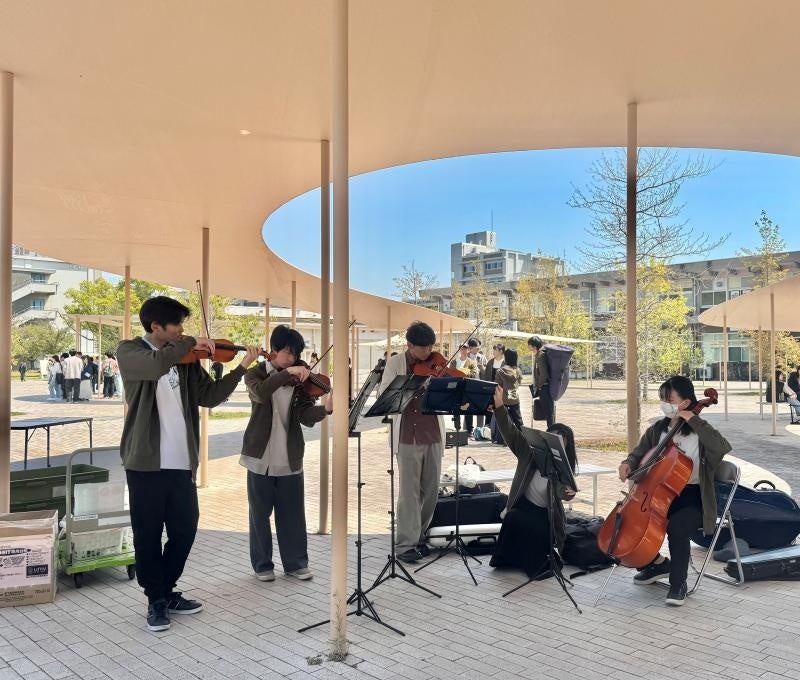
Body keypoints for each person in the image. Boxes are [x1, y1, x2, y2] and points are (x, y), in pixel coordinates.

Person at [117, 295, 258, 632]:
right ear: (155, 327)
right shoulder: (130, 351)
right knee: (147, 535)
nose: (182, 331)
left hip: (181, 463)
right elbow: (155, 366)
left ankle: (165, 590)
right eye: (176, 325)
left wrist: (241, 367)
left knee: (185, 529)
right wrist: (191, 342)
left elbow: (211, 397)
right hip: (145, 463)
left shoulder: (186, 361)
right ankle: (156, 599)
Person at [618, 375, 732, 606]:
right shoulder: (657, 430)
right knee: (629, 523)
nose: (665, 404)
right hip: (657, 494)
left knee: (677, 528)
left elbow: (721, 447)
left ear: (686, 402)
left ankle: (678, 583)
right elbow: (638, 454)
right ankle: (657, 564)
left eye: (670, 400)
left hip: (692, 496)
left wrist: (695, 421)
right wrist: (628, 463)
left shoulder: (700, 432)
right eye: (663, 399)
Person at [240, 325, 333, 583]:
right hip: (259, 455)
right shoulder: (255, 374)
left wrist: (325, 410)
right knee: (259, 515)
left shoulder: (300, 381)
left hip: (289, 454)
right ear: (274, 350)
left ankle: (296, 564)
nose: (292, 359)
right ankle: (262, 565)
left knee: (292, 514)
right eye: (288, 353)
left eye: (296, 355)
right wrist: (287, 373)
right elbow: (260, 393)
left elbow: (305, 415)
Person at [489, 385, 577, 577]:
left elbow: (564, 492)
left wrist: (568, 492)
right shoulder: (528, 452)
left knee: (535, 527)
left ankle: (536, 565)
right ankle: (508, 560)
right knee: (513, 517)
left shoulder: (563, 468)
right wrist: (499, 407)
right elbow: (511, 432)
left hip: (546, 515)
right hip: (524, 505)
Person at [377, 321, 445, 563]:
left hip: (433, 433)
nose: (427, 352)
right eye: (422, 348)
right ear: (409, 345)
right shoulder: (395, 363)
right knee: (409, 492)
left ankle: (421, 536)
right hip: (407, 434)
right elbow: (384, 395)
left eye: (430, 347)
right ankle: (406, 544)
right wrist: (412, 384)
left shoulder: (436, 362)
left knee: (431, 490)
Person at [528, 336, 554, 428]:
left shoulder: (541, 356)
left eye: (529, 345)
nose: (528, 347)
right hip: (543, 387)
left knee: (549, 413)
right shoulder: (538, 355)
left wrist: (539, 386)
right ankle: (551, 429)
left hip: (544, 388)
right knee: (548, 412)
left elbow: (543, 374)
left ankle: (552, 430)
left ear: (534, 346)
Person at [495, 348, 524, 431]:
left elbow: (498, 386)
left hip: (503, 398)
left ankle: (504, 438)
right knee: (518, 420)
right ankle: (522, 435)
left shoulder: (500, 371)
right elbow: (519, 383)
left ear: (506, 357)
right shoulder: (517, 370)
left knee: (504, 421)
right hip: (513, 395)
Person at [452, 345, 479, 433]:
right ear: (459, 350)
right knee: (456, 409)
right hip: (456, 388)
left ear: (468, 350)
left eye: (465, 349)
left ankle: (469, 430)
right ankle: (457, 428)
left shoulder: (471, 362)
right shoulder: (454, 362)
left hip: (467, 388)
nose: (463, 351)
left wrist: (464, 373)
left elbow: (474, 373)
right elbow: (450, 373)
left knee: (468, 409)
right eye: (462, 349)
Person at [482, 343, 505, 428]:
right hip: (490, 390)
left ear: (501, 351)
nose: (493, 352)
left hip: (501, 391)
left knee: (500, 410)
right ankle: (487, 428)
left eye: (495, 350)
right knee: (489, 411)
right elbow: (486, 377)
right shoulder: (490, 362)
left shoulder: (505, 363)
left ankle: (500, 429)